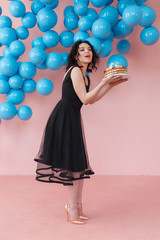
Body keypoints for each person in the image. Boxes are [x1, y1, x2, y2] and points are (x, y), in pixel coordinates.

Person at [34, 40, 128, 225]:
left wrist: (110, 85)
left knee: (78, 166)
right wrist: (104, 82)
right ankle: (71, 206)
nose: (87, 52)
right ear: (76, 56)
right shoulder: (75, 70)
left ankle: (76, 206)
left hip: (73, 118)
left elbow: (91, 100)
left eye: (89, 49)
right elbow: (85, 98)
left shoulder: (86, 77)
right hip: (63, 118)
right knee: (72, 166)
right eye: (82, 49)